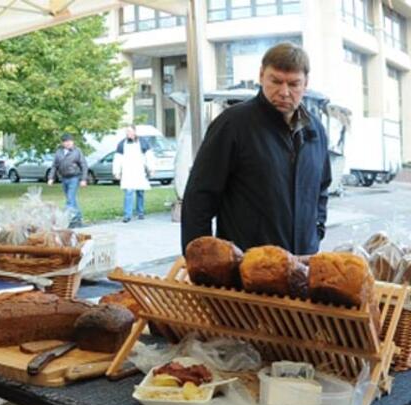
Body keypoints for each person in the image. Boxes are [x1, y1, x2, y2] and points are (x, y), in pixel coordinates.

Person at [181, 43, 332, 255]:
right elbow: (199, 198)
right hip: (246, 271)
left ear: (306, 83)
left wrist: (317, 230)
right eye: (276, 81)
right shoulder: (233, 125)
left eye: (294, 84)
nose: (284, 92)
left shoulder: (315, 130)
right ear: (261, 76)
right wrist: (200, 261)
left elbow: (321, 188)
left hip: (302, 266)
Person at [112, 125, 155, 223]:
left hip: (139, 171)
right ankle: (127, 215)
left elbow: (149, 156)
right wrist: (116, 171)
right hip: (128, 172)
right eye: (127, 132)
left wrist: (151, 168)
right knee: (128, 192)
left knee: (140, 192)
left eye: (130, 132)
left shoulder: (143, 142)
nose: (128, 134)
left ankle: (140, 212)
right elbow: (118, 159)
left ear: (135, 132)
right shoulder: (122, 144)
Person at [48, 133, 88, 228]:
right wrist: (51, 178)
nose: (68, 143)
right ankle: (78, 218)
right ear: (62, 143)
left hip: (74, 177)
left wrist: (83, 179)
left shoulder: (77, 151)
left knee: (70, 200)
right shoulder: (59, 152)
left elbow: (84, 165)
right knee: (71, 199)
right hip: (64, 178)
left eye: (70, 141)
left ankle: (70, 219)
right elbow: (54, 166)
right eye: (66, 142)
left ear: (73, 141)